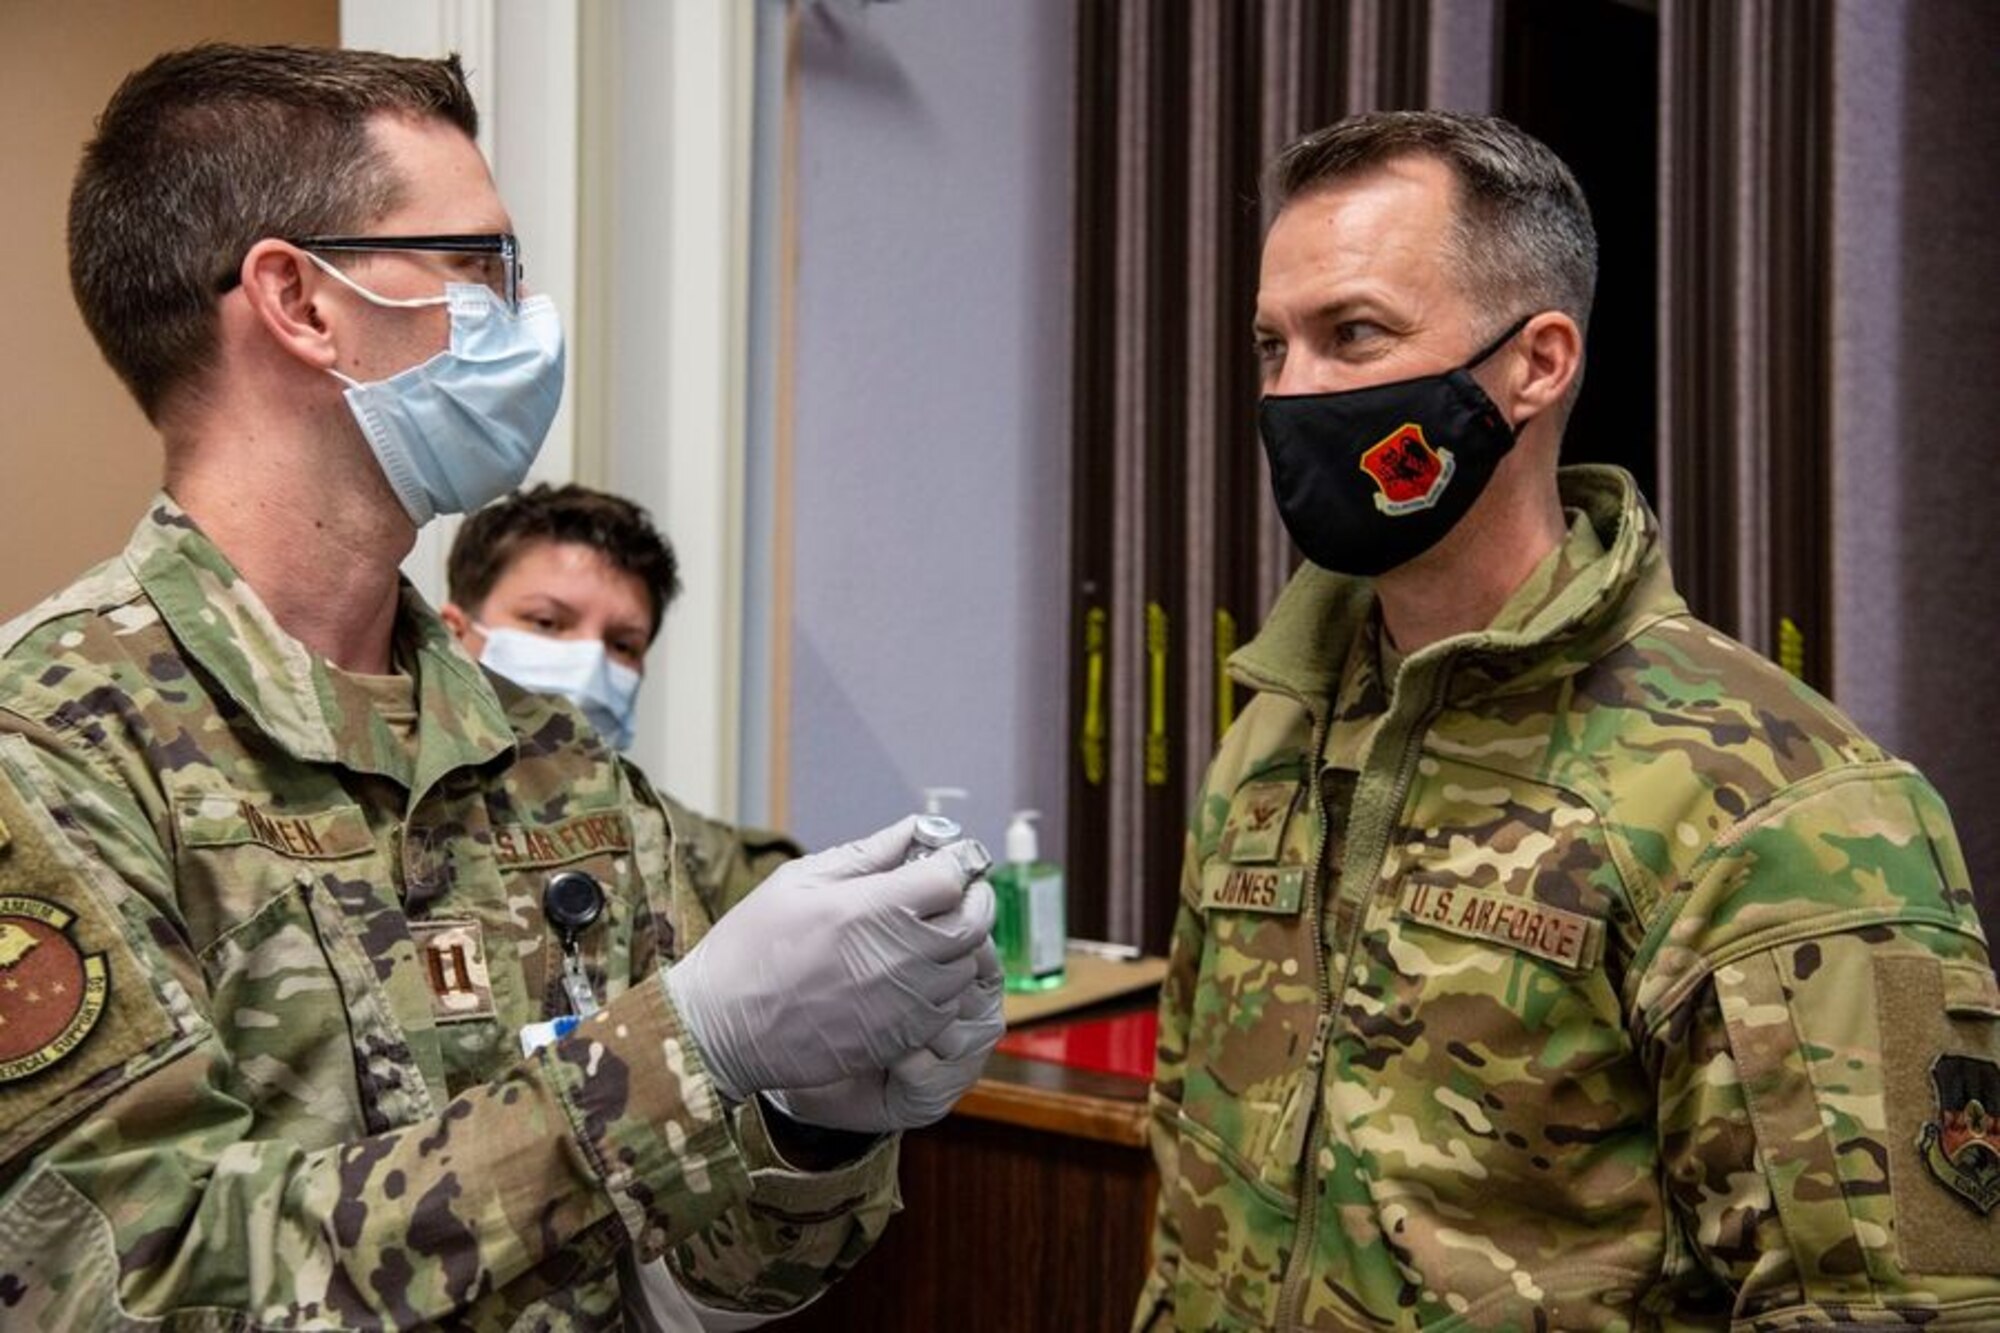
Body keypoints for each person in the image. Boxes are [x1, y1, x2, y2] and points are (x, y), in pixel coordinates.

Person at [0, 44, 1001, 1330]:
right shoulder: (53, 750)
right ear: (301, 302)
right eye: (479, 267)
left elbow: (709, 1276)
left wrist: (812, 1121)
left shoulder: (549, 761)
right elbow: (131, 1291)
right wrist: (680, 1050)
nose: (523, 317)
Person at [1136, 110, 2000, 1330]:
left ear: (1535, 362)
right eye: (1272, 346)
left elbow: (1888, 1309)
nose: (1293, 393)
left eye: (1354, 335)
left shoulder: (1778, 803)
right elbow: (1188, 1183)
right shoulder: (1273, 737)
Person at [439, 482, 801, 912]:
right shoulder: (375, 812)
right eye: (548, 622)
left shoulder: (679, 849)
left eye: (624, 644)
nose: (592, 661)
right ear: (454, 634)